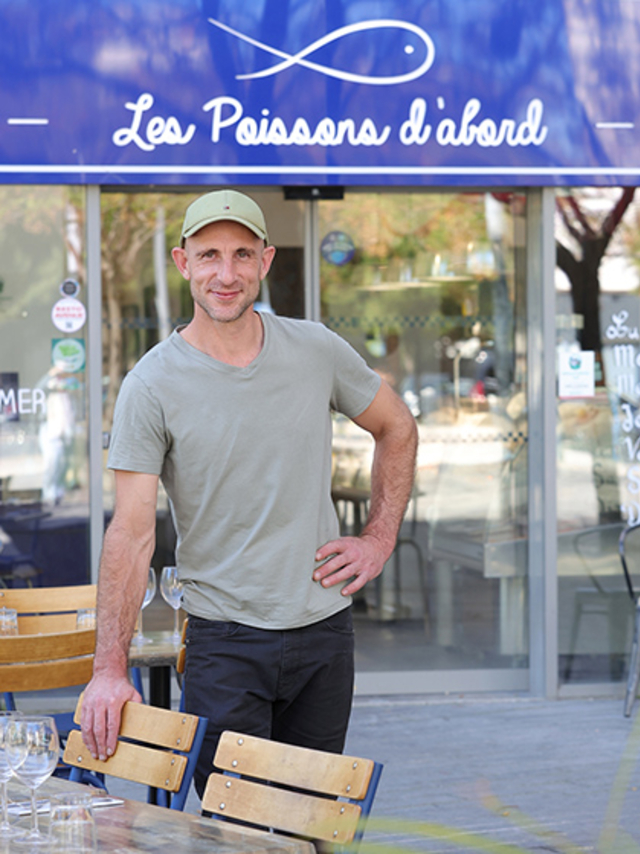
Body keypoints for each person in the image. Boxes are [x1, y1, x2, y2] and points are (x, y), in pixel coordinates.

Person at [80, 189, 418, 797]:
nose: (226, 273)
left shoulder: (317, 350)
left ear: (266, 260)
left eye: (242, 254)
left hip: (324, 631)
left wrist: (378, 538)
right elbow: (131, 534)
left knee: (314, 823)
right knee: (234, 832)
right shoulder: (151, 384)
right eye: (209, 255)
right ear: (184, 264)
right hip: (224, 642)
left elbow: (398, 427)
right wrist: (109, 669)